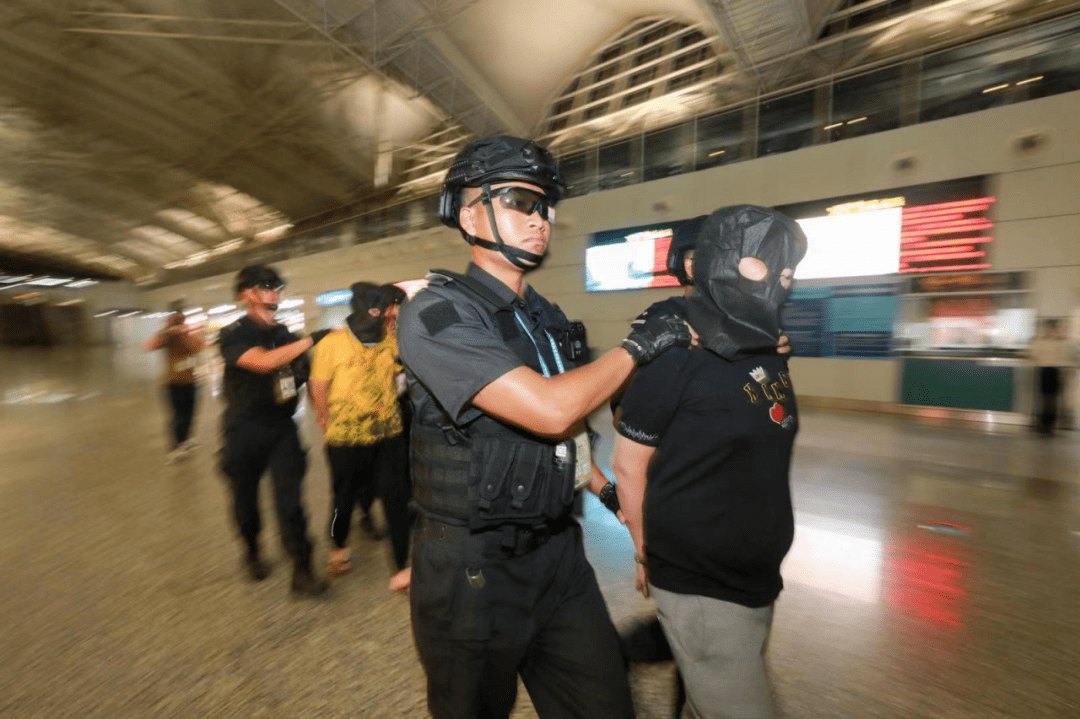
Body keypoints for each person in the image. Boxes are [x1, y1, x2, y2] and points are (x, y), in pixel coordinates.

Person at [396, 135, 692, 718]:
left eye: (545, 207)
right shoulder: (435, 315)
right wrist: (642, 343)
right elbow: (550, 408)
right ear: (467, 210)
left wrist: (614, 498)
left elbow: (568, 435)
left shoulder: (546, 320)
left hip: (559, 558)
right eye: (519, 202)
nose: (540, 220)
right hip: (470, 571)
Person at [611, 205, 807, 719]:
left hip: (755, 579)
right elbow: (629, 462)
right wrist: (642, 550)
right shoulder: (675, 345)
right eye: (760, 266)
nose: (777, 283)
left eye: (786, 271)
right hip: (702, 579)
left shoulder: (769, 346)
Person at [218, 264, 331, 597]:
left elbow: (311, 381)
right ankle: (252, 550)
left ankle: (303, 569)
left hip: (282, 429)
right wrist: (314, 338)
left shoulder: (287, 335)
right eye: (267, 285)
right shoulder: (233, 333)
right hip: (244, 428)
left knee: (291, 503)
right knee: (245, 502)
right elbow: (263, 362)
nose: (275, 291)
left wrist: (326, 426)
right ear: (245, 294)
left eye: (278, 286)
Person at [309, 281, 411, 585]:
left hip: (388, 434)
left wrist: (393, 333)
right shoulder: (331, 344)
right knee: (343, 498)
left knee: (396, 498)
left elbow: (397, 372)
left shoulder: (389, 341)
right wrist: (325, 425)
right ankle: (338, 545)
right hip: (346, 438)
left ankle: (401, 564)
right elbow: (318, 387)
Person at [145, 306, 206, 463]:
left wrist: (185, 333)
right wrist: (166, 331)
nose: (180, 323)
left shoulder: (189, 335)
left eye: (181, 320)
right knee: (178, 416)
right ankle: (175, 447)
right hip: (173, 382)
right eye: (176, 320)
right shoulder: (167, 337)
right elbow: (150, 346)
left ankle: (186, 441)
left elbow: (199, 348)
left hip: (191, 380)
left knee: (191, 413)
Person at [1028, 318, 1073, 435]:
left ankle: (1048, 424)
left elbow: (1033, 354)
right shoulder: (1044, 341)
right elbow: (1032, 355)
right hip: (1045, 370)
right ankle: (1044, 424)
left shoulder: (1057, 342)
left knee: (1051, 399)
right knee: (1045, 398)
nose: (1050, 330)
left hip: (1053, 370)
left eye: (1052, 328)